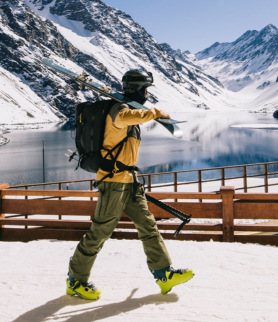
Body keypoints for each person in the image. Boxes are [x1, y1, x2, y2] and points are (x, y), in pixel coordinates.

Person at [66, 69, 194, 300]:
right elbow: (126, 117)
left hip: (129, 180)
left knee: (147, 226)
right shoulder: (119, 110)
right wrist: (156, 113)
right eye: (145, 89)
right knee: (100, 232)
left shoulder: (126, 109)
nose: (147, 93)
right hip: (114, 181)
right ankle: (76, 280)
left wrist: (150, 113)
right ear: (138, 89)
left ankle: (164, 274)